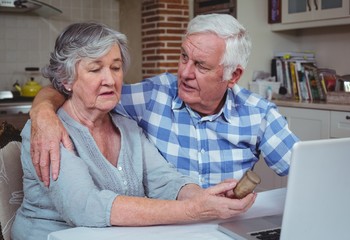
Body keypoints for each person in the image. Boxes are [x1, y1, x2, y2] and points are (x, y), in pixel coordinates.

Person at [11, 22, 256, 240]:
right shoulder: (48, 131)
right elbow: (85, 207)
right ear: (66, 80)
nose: (110, 79)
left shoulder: (127, 126)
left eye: (115, 68)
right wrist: (192, 210)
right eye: (95, 69)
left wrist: (203, 198)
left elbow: (165, 180)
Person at [30, 14, 299, 188]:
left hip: (227, 226)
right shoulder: (152, 96)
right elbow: (74, 89)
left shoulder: (258, 114)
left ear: (233, 75)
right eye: (184, 57)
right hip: (166, 226)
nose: (184, 72)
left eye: (201, 66)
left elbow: (310, 174)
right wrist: (42, 112)